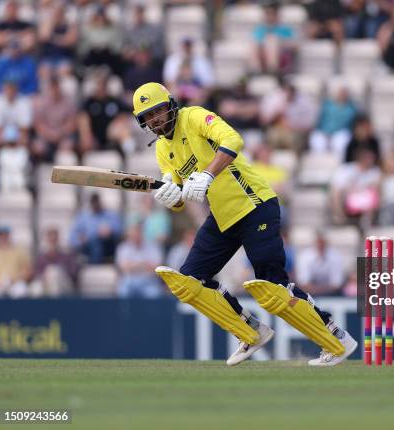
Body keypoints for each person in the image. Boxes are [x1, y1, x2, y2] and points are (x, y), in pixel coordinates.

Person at [131, 82, 357, 367]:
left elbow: (233, 140)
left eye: (158, 111)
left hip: (254, 204)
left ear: (170, 106)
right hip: (223, 217)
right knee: (188, 283)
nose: (155, 120)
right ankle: (250, 333)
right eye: (147, 117)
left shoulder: (194, 116)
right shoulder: (163, 150)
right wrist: (170, 196)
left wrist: (208, 175)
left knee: (272, 285)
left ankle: (336, 338)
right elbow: (178, 194)